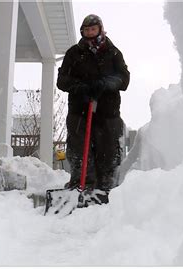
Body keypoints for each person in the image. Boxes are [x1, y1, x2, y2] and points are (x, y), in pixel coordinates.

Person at [56, 14, 130, 201]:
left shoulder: (113, 53)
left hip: (107, 111)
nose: (90, 33)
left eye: (93, 29)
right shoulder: (74, 53)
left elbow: (124, 78)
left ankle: (106, 188)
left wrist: (105, 83)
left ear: (100, 29)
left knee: (108, 150)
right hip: (80, 110)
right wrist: (80, 86)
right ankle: (80, 185)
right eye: (86, 30)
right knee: (79, 149)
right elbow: (62, 80)